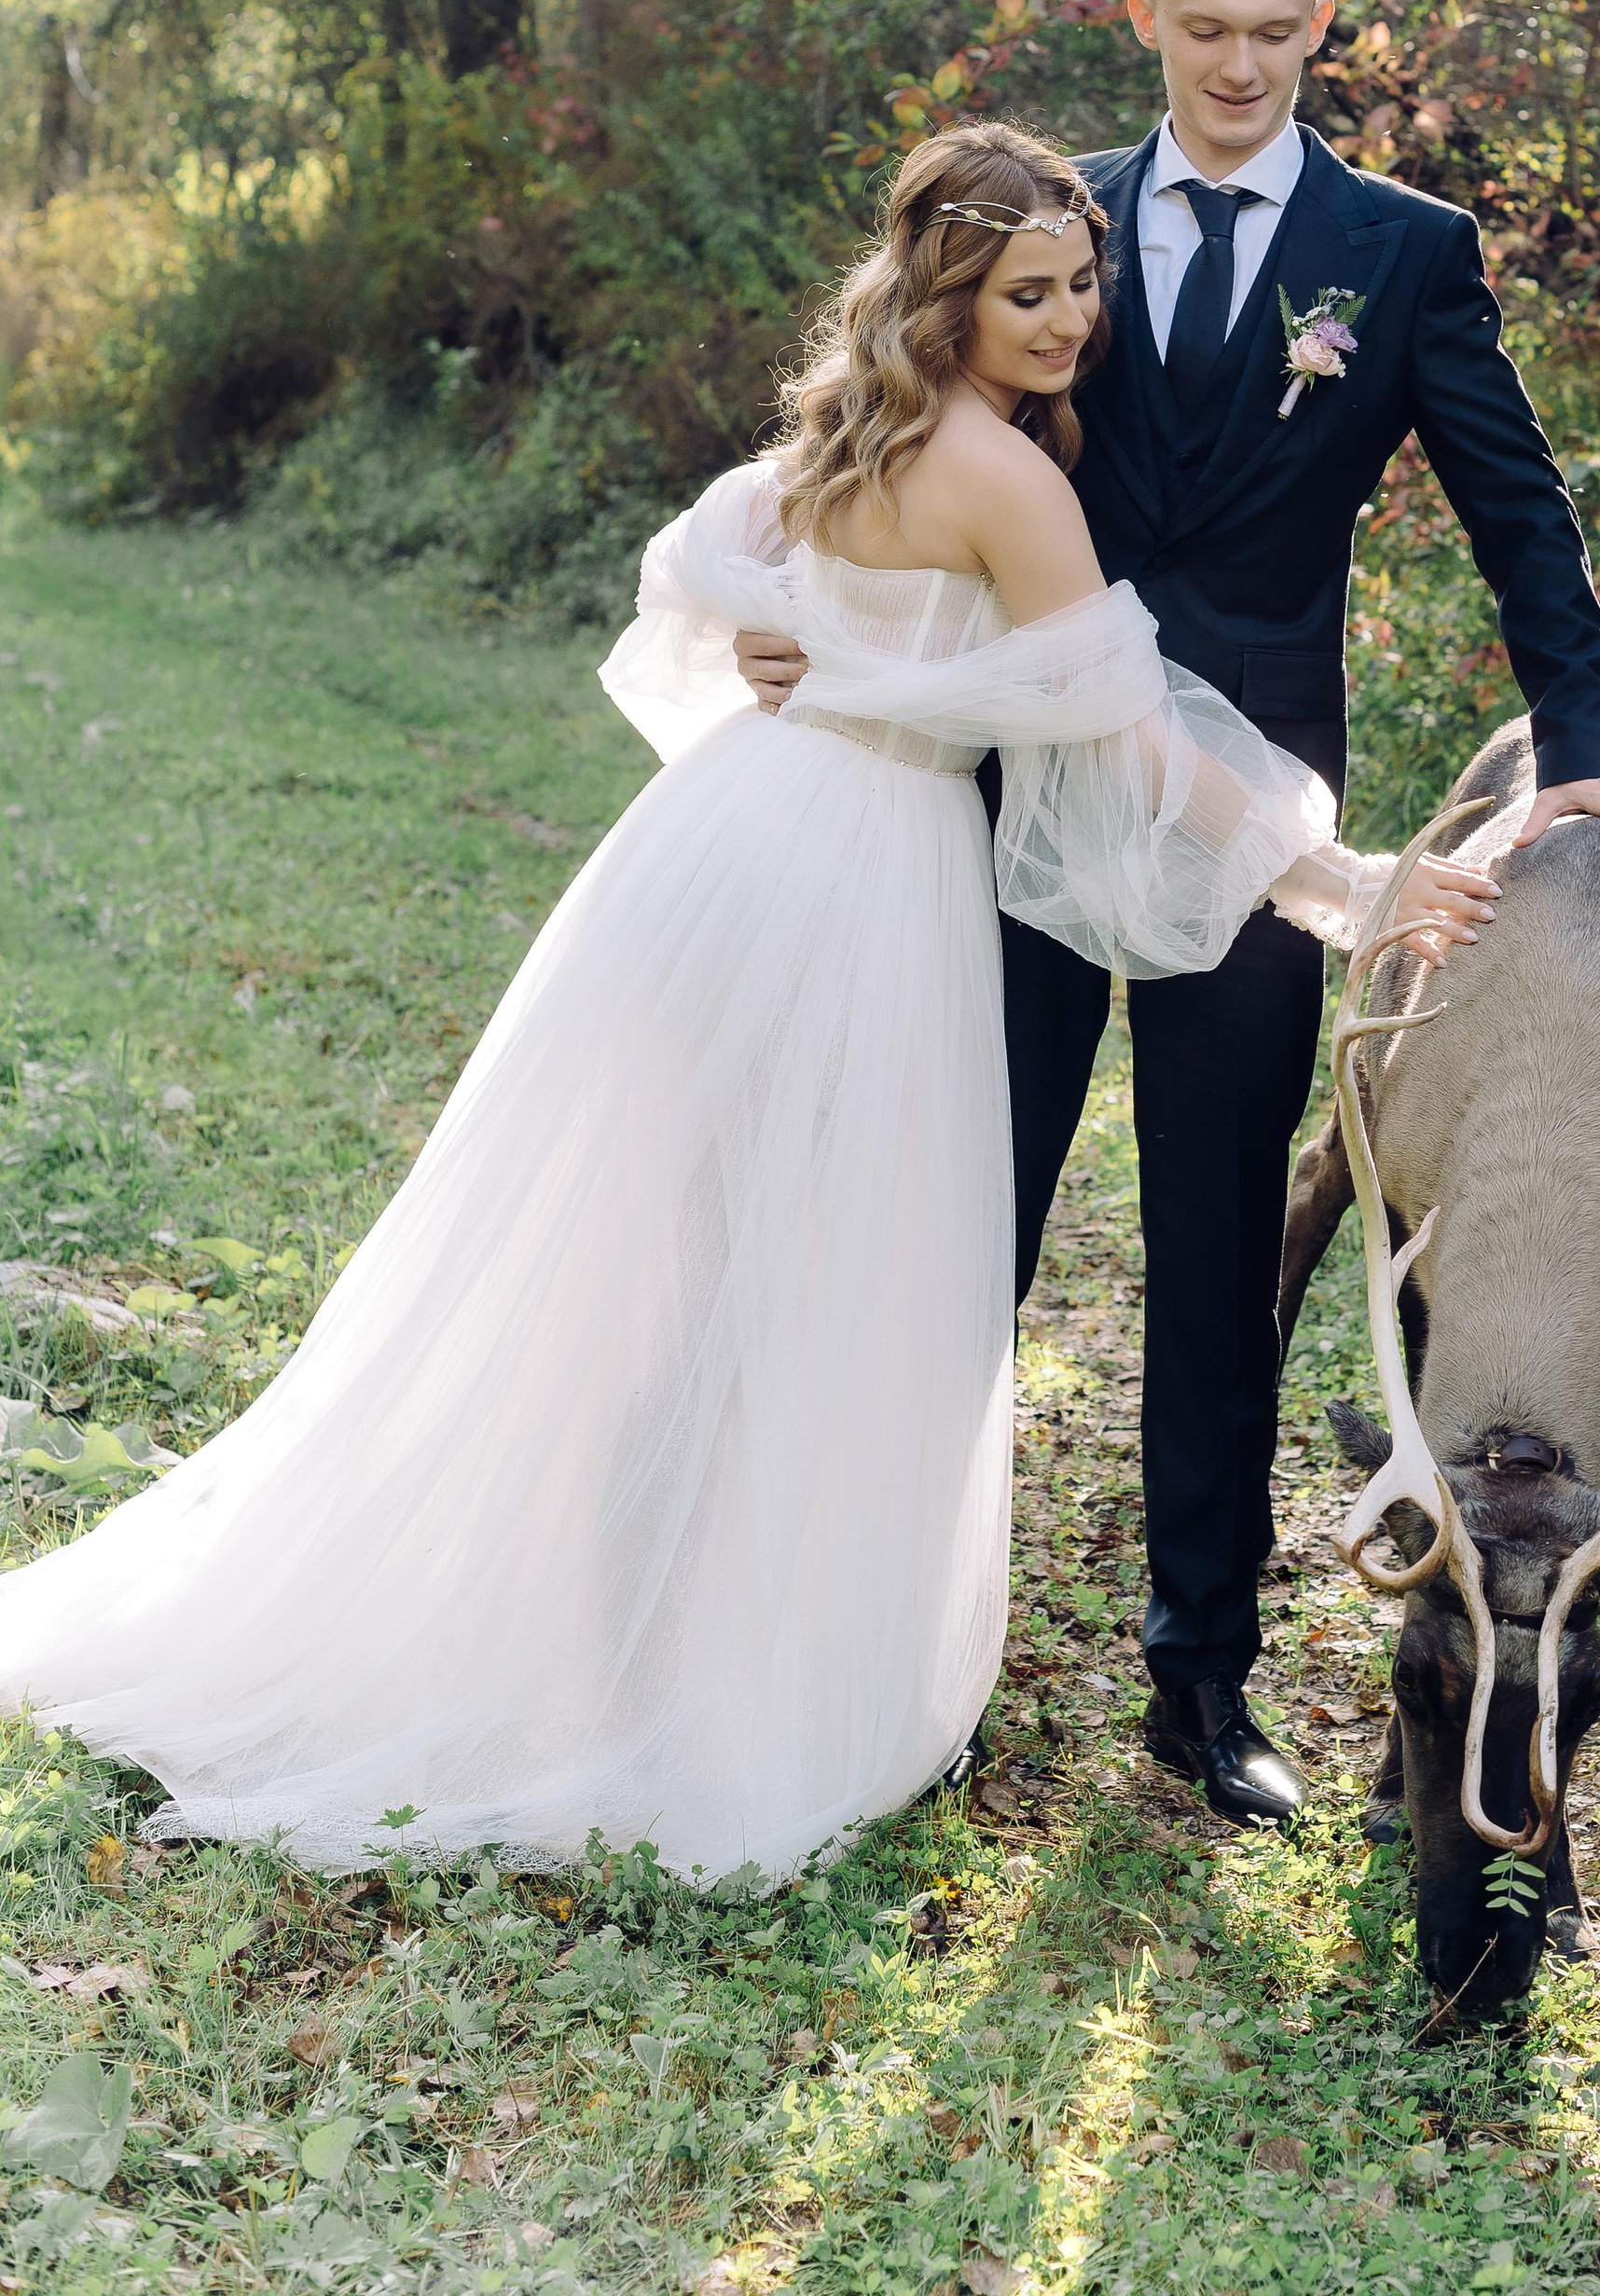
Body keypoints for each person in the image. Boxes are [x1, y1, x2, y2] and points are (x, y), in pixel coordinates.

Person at [0, 122, 1494, 1884]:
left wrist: (787, 644)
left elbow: (698, 562)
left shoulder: (847, 422)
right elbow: (1137, 740)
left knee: (713, 1255)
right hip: (868, 871)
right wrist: (1344, 883)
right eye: (1028, 293)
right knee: (831, 1272)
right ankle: (727, 1679)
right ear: (949, 295)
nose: (1071, 320)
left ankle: (643, 1633)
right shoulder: (1007, 479)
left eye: (1083, 284)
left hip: (730, 840)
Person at [736, 0, 1600, 1828]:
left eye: (1273, 32)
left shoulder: (1400, 252)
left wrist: (1588, 747)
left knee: (1214, 1250)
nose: (1238, 66)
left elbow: (1518, 509)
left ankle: (1198, 1678)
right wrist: (804, 621)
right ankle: (884, 1652)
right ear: (1144, 10)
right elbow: (869, 433)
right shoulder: (1046, 222)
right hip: (1005, 783)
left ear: (1321, 20)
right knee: (964, 1219)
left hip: (1248, 809)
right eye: (1202, 29)